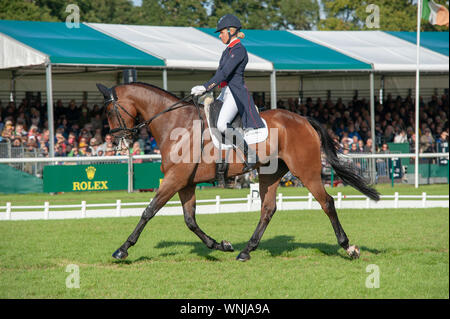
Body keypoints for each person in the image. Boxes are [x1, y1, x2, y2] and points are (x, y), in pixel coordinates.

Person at [190, 14, 264, 171]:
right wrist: (206, 91)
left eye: (222, 32)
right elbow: (220, 74)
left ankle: (250, 155)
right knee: (204, 112)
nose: (220, 35)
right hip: (224, 91)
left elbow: (224, 74)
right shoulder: (227, 51)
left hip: (235, 93)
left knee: (222, 124)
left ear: (231, 31)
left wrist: (205, 87)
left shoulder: (239, 50)